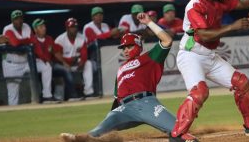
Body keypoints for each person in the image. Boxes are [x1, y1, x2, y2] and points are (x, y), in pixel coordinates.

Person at [60, 13, 198, 142]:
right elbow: (116, 98)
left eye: (129, 46)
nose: (125, 50)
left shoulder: (149, 58)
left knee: (179, 131)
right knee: (98, 131)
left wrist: (149, 22)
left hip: (146, 103)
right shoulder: (120, 69)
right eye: (123, 48)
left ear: (138, 46)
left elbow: (167, 40)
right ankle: (79, 138)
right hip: (124, 108)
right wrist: (113, 113)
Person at [171, 0, 249, 140]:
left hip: (209, 55)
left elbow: (242, 3)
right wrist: (232, 27)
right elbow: (203, 35)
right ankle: (177, 135)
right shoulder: (194, 5)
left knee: (241, 82)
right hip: (191, 55)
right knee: (200, 92)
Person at [2, 10, 55, 105]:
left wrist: (46, 59)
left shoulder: (26, 27)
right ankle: (13, 114)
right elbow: (15, 43)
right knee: (13, 94)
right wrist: (27, 40)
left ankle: (47, 96)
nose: (18, 21)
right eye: (16, 19)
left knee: (46, 66)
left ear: (22, 19)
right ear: (12, 20)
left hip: (26, 62)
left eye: (20, 18)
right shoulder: (7, 29)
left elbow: (34, 42)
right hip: (12, 65)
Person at [54, 18, 95, 100]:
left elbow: (84, 53)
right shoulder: (60, 39)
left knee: (88, 64)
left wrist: (82, 62)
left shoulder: (82, 38)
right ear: (67, 28)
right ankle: (72, 95)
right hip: (63, 64)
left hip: (76, 63)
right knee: (66, 69)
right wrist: (66, 62)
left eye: (75, 27)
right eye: (71, 27)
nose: (74, 29)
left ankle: (89, 92)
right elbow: (56, 55)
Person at [32, 18, 60, 103]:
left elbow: (55, 52)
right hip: (34, 63)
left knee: (63, 70)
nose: (44, 28)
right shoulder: (33, 39)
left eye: (44, 26)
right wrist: (49, 61)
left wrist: (64, 63)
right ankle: (46, 96)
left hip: (48, 63)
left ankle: (50, 96)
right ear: (35, 29)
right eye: (41, 26)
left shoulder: (49, 38)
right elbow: (39, 54)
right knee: (46, 66)